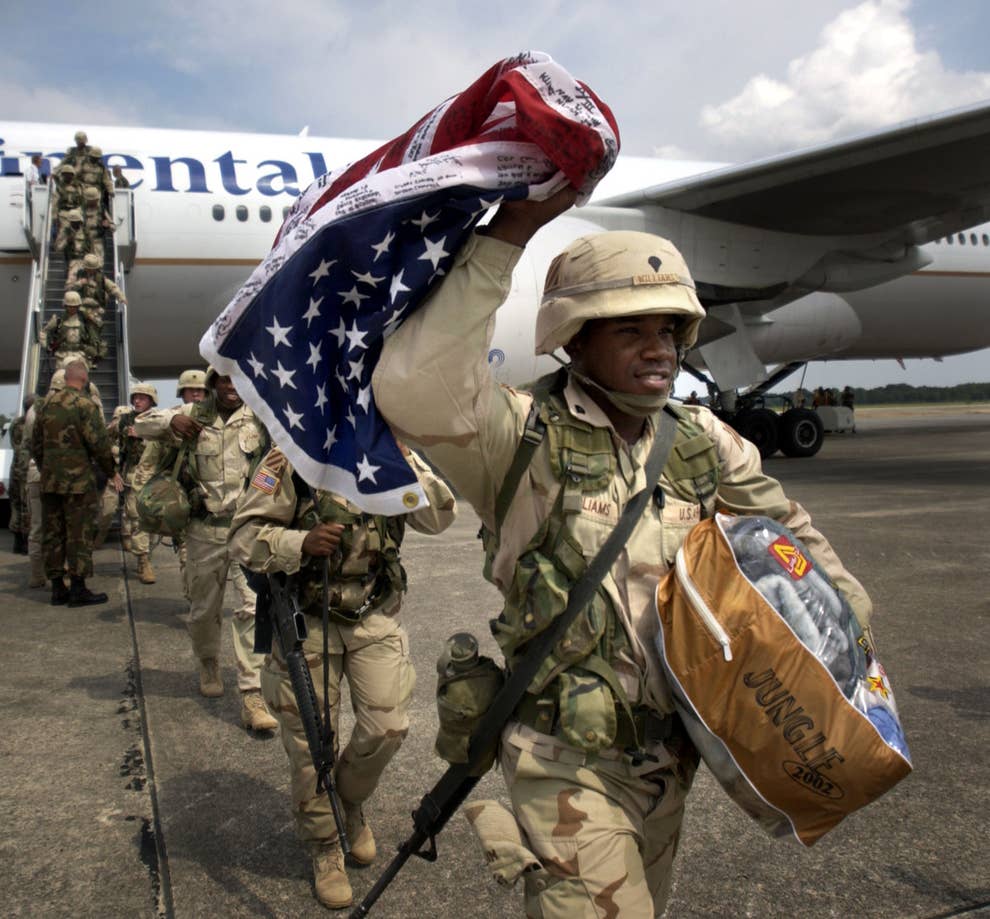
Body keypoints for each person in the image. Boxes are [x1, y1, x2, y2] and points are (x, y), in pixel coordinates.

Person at [372, 191, 874, 917]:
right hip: (562, 758)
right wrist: (509, 234)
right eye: (630, 328)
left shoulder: (706, 441)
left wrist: (846, 640)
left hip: (673, 755)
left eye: (670, 329)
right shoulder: (518, 436)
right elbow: (414, 387)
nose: (660, 348)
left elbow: (794, 544)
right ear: (574, 339)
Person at [229, 442, 456, 910]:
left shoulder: (389, 450)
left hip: (374, 615)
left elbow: (438, 518)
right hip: (309, 622)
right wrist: (299, 543)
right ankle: (325, 846)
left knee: (387, 728)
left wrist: (405, 457)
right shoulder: (290, 451)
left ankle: (348, 800)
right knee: (313, 744)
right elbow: (244, 537)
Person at [136, 368, 278, 732]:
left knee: (251, 607)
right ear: (214, 384)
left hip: (246, 531)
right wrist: (176, 421)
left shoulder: (260, 417)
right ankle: (209, 661)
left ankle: (251, 692)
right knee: (203, 609)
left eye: (238, 380)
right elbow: (142, 423)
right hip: (204, 531)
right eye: (225, 381)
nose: (232, 388)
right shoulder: (195, 415)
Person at [30, 360, 117, 607]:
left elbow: (35, 445)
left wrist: (49, 467)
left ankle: (57, 589)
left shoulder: (45, 406)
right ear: (84, 380)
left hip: (50, 481)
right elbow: (99, 445)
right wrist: (111, 471)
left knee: (53, 533)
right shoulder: (85, 405)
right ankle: (78, 589)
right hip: (78, 483)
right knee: (79, 535)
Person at [128, 369, 208, 593]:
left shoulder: (217, 420)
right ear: (182, 393)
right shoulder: (169, 420)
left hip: (212, 499)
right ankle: (144, 560)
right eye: (191, 391)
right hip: (181, 497)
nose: (196, 395)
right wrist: (144, 495)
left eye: (201, 390)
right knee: (188, 554)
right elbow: (150, 458)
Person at [110, 384, 159, 584]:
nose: (138, 401)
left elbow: (170, 441)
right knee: (137, 517)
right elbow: (107, 443)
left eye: (143, 397)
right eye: (135, 397)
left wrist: (143, 435)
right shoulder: (123, 421)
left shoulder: (159, 419)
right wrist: (112, 471)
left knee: (154, 520)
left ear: (151, 401)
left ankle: (146, 552)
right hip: (133, 474)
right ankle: (143, 561)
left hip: (157, 475)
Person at [39, 290, 102, 369]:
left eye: (75, 306)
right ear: (65, 306)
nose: (72, 309)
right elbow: (44, 332)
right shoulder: (58, 320)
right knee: (61, 377)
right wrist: (46, 345)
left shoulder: (83, 320)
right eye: (70, 306)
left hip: (80, 355)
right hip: (62, 355)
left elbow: (93, 335)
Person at [8, 394, 36, 555]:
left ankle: (17, 542)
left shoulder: (15, 424)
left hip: (15, 469)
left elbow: (15, 446)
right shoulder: (30, 425)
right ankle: (26, 542)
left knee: (16, 506)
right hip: (25, 471)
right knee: (27, 506)